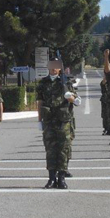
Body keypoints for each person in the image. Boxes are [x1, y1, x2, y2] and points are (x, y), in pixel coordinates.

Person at [37, 59, 77, 188]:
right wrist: (39, 121)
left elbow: (76, 100)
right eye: (52, 66)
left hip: (63, 121)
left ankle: (61, 178)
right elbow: (40, 103)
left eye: (56, 67)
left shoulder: (66, 82)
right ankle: (51, 179)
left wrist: (69, 96)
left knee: (63, 150)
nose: (54, 69)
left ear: (60, 68)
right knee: (50, 150)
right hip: (49, 121)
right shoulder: (43, 83)